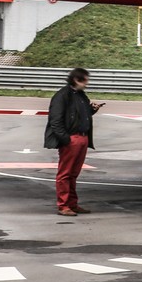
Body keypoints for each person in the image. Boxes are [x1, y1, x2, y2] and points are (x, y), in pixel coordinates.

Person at [43, 67, 102, 217]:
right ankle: (63, 205)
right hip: (72, 139)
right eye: (85, 81)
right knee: (65, 174)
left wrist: (93, 110)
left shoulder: (81, 95)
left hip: (82, 138)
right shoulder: (62, 95)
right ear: (77, 80)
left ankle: (72, 204)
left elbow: (82, 115)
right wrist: (66, 139)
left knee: (73, 174)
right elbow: (55, 120)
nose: (87, 84)